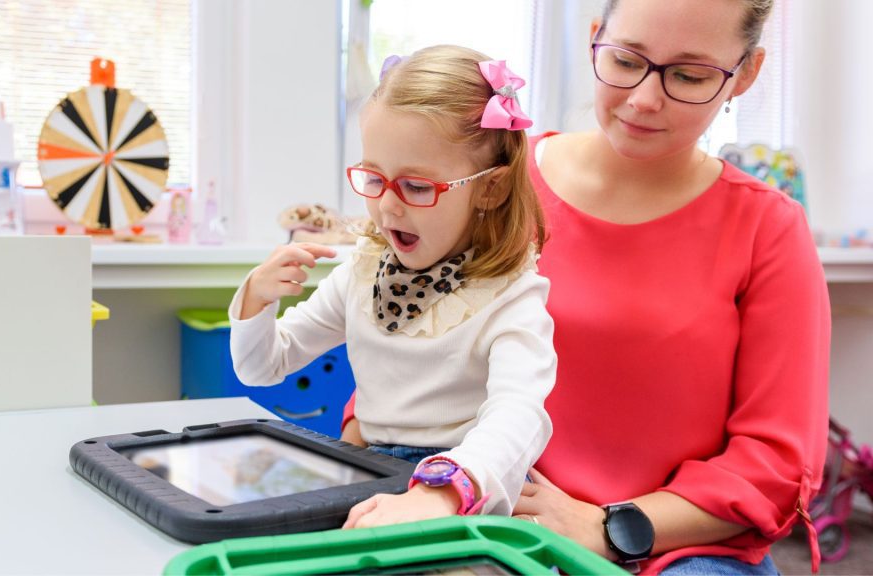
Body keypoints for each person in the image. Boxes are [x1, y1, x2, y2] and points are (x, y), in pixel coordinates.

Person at [342, 0, 830, 573]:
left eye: (689, 76)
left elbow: (774, 460)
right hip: (476, 503)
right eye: (626, 61)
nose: (645, 99)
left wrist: (607, 525)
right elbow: (407, 332)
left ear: (744, 73)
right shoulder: (497, 186)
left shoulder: (766, 228)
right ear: (596, 39)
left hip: (669, 543)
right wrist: (367, 447)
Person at [229, 45, 557, 529]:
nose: (387, 207)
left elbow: (518, 417)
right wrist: (257, 297)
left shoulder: (511, 296)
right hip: (372, 472)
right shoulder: (363, 273)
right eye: (373, 178)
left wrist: (445, 491)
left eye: (417, 187)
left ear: (492, 188)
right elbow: (263, 367)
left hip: (469, 483)